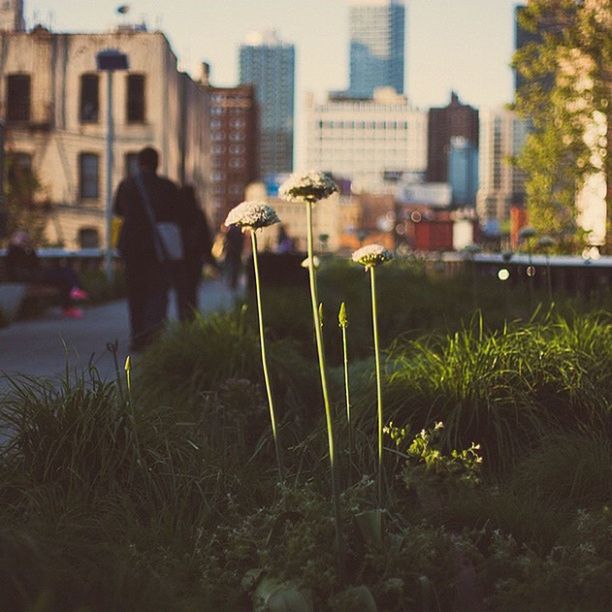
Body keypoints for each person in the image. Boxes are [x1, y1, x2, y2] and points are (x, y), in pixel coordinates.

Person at [113, 146, 180, 351]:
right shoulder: (167, 186)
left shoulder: (127, 185)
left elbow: (117, 210)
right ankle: (153, 333)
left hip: (132, 247)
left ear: (139, 162)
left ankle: (137, 336)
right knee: (157, 291)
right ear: (157, 163)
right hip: (157, 248)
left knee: (135, 294)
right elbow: (178, 215)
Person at [5, 230, 88, 318]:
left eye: (25, 238)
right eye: (21, 238)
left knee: (64, 278)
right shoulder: (13, 251)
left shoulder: (28, 251)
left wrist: (29, 251)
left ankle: (69, 308)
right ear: (13, 240)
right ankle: (76, 290)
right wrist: (25, 250)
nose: (24, 240)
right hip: (27, 278)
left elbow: (35, 264)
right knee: (65, 273)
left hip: (36, 275)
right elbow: (19, 267)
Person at [174, 185, 215, 321]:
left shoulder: (175, 214)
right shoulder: (198, 214)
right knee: (192, 291)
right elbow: (206, 239)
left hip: (179, 258)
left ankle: (183, 318)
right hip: (194, 259)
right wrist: (210, 259)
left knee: (181, 292)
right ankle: (191, 319)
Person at [223, 223, 244, 291]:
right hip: (236, 251)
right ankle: (233, 281)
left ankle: (232, 281)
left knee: (232, 266)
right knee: (234, 267)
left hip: (232, 251)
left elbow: (227, 239)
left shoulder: (231, 229)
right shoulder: (239, 229)